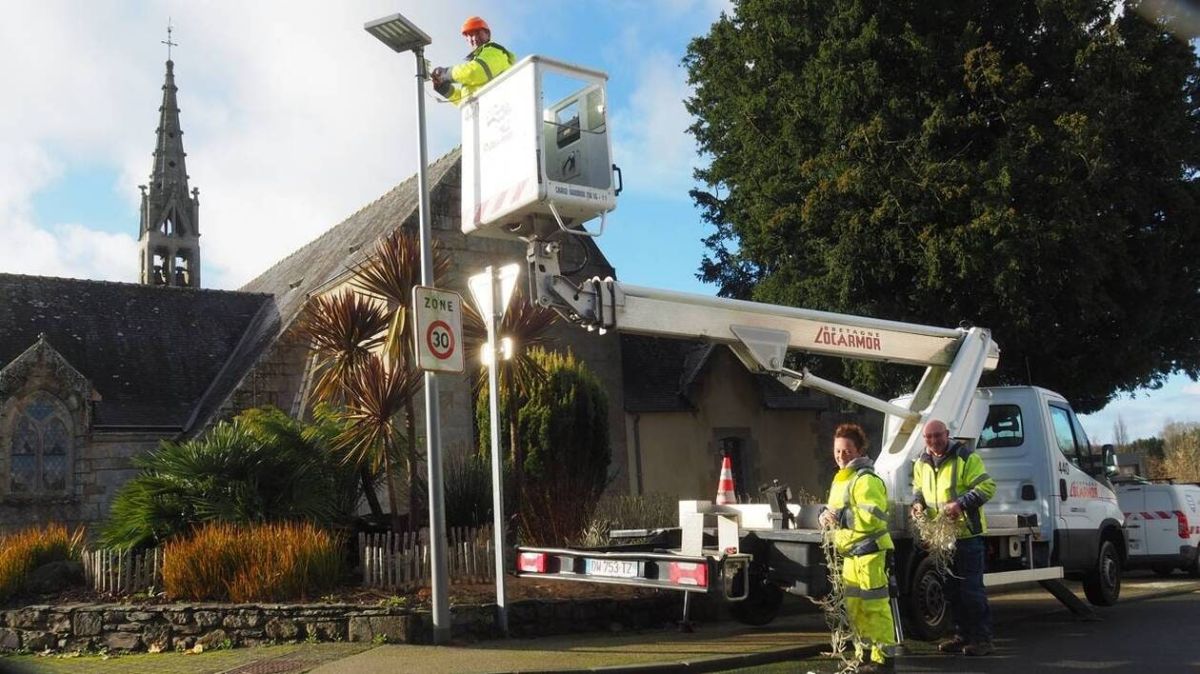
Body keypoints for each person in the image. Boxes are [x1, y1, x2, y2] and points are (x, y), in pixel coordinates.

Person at [910, 419, 998, 656]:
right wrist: (917, 504)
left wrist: (960, 504)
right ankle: (962, 636)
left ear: (947, 434)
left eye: (938, 435)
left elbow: (987, 487)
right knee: (952, 591)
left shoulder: (966, 458)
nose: (933, 441)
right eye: (928, 437)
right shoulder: (921, 462)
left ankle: (982, 639)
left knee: (971, 591)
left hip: (967, 535)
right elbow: (918, 489)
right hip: (942, 539)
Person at [818, 423, 898, 673]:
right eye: (838, 451)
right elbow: (834, 510)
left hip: (871, 553)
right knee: (856, 610)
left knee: (875, 608)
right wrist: (823, 515)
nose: (841, 455)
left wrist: (838, 518)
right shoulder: (841, 479)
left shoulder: (866, 480)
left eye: (846, 450)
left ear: (859, 450)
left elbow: (874, 517)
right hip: (851, 556)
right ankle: (864, 657)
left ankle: (883, 660)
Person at [431, 16, 516, 106]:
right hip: (483, 116)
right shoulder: (477, 60)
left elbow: (475, 71)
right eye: (470, 35)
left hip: (498, 111)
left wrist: (447, 73)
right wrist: (445, 90)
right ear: (467, 39)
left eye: (478, 33)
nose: (474, 38)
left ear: (488, 34)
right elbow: (466, 101)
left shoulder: (495, 51)